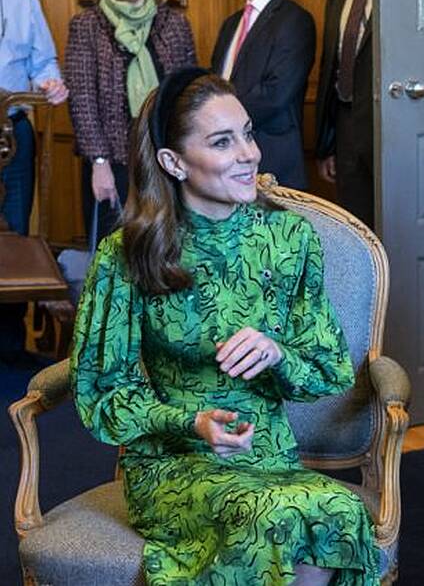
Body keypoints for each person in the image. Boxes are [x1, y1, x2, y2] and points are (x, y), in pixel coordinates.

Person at [70, 69, 379, 585]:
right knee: (273, 519)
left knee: (338, 514)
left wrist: (277, 353)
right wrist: (189, 423)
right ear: (172, 161)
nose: (249, 154)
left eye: (248, 133)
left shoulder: (289, 238)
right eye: (221, 141)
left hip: (270, 459)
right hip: (172, 467)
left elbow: (329, 371)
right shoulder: (128, 255)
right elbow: (100, 393)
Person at [65, 0, 196, 242]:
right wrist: (99, 162)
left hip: (166, 157)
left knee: (170, 243)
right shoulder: (86, 25)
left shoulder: (175, 24)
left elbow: (188, 93)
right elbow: (82, 100)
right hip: (112, 162)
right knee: (115, 247)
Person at [0, 0, 68, 363]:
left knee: (14, 233)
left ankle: (9, 347)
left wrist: (50, 83)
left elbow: (44, 64)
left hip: (12, 132)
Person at [211, 0, 315, 190]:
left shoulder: (295, 20)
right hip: (225, 161)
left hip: (272, 160)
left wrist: (220, 121)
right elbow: (216, 81)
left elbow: (276, 94)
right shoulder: (231, 23)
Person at [315, 0, 373, 229]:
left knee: (395, 226)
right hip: (345, 122)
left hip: (387, 121)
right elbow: (331, 63)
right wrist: (326, 143)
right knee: (354, 225)